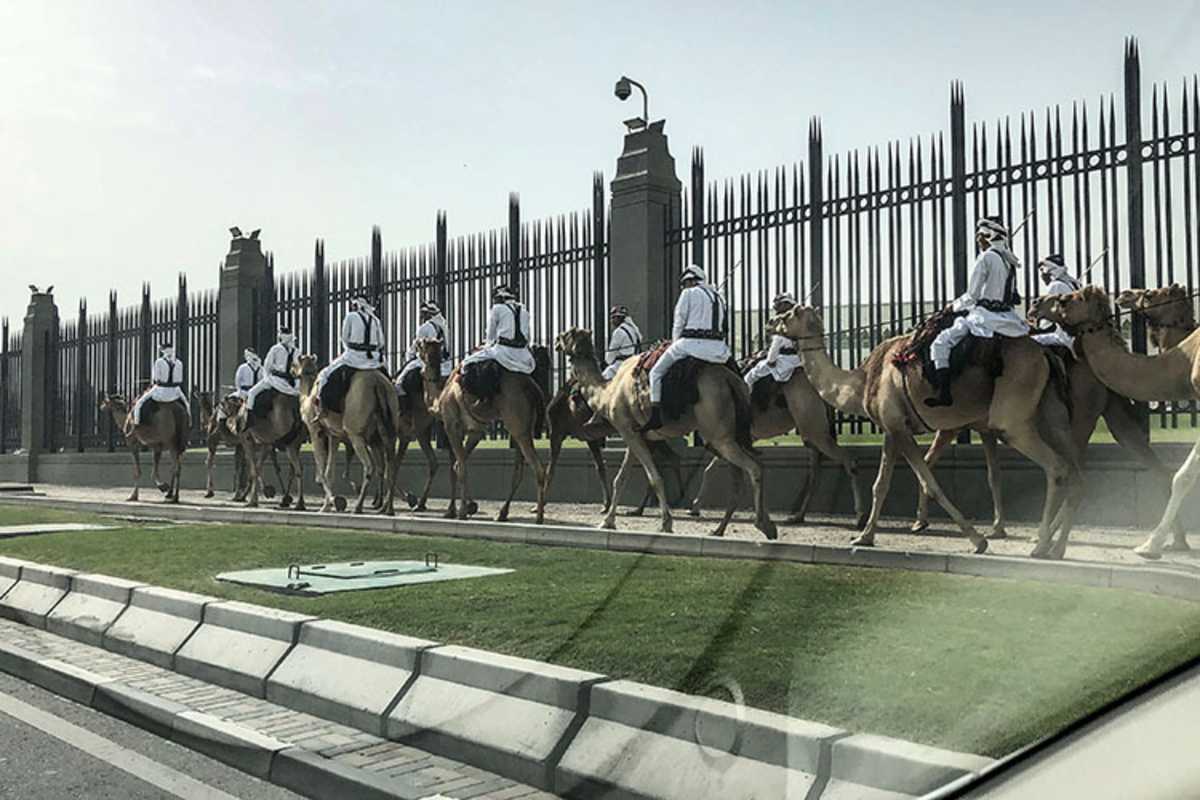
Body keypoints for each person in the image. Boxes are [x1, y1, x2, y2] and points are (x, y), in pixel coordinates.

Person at [925, 216, 1029, 408]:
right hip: (1008, 317)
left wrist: (951, 307)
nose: (977, 240)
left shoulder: (986, 258)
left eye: (979, 236)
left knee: (941, 342)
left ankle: (944, 393)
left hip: (984, 316)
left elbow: (972, 296)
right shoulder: (1008, 259)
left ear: (987, 236)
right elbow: (1014, 296)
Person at [643, 264, 731, 432]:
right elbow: (724, 326)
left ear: (690, 281)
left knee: (656, 372)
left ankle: (656, 416)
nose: (684, 286)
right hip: (719, 350)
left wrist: (674, 343)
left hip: (690, 345)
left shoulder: (688, 293)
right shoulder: (720, 297)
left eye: (685, 283)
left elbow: (679, 321)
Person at [313, 296, 387, 406]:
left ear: (355, 305)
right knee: (390, 380)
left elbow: (344, 338)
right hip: (375, 360)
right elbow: (381, 342)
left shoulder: (351, 316)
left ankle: (321, 404)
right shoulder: (376, 320)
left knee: (326, 374)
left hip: (353, 357)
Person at [460, 284, 535, 374]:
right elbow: (528, 338)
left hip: (502, 353)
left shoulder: (497, 309)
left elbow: (490, 334)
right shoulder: (524, 311)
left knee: (466, 362)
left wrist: (487, 345)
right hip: (524, 356)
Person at [744, 293, 802, 389]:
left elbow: (776, 344)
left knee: (751, 376)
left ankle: (746, 398)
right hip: (800, 361)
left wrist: (771, 360)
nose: (777, 308)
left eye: (780, 305)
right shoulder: (799, 320)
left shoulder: (781, 323)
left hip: (784, 362)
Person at [396, 300, 452, 395]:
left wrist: (409, 356)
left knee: (399, 382)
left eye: (423, 313)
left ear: (428, 314)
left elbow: (415, 348)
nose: (421, 316)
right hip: (446, 365)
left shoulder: (424, 328)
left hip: (425, 363)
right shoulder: (444, 326)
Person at [1030, 254, 1081, 350]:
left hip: (1065, 337)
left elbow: (1046, 323)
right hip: (1076, 334)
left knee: (1030, 341)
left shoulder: (1056, 286)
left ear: (1049, 271)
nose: (1041, 276)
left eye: (1042, 271)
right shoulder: (1073, 283)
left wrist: (1036, 325)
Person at [244, 327, 300, 414]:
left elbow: (296, 368)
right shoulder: (278, 349)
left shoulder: (293, 351)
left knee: (251, 393)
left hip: (283, 380)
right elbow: (267, 366)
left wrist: (297, 383)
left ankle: (249, 416)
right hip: (279, 380)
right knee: (251, 392)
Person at [131, 341, 189, 425]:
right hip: (175, 392)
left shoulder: (159, 362)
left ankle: (136, 424)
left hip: (161, 391)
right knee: (187, 405)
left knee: (139, 403)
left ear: (163, 351)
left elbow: (156, 378)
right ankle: (189, 423)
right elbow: (179, 379)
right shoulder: (179, 363)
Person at [603, 305, 642, 380]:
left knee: (603, 379)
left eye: (613, 318)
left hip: (622, 365)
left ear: (618, 318)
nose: (611, 321)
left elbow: (609, 358)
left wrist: (607, 360)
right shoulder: (633, 329)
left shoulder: (618, 332)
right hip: (634, 363)